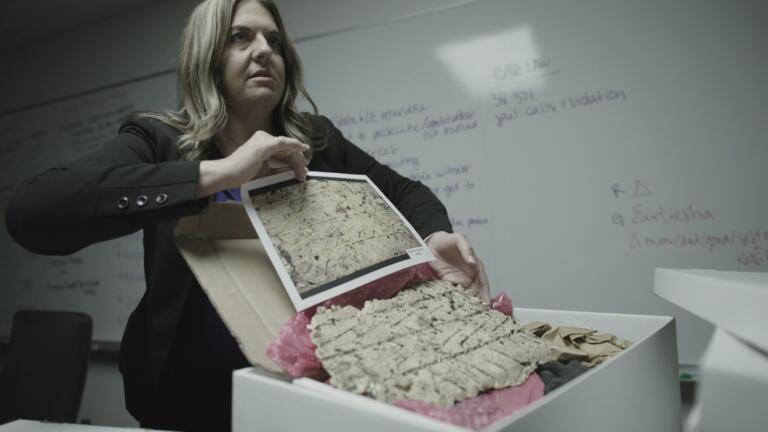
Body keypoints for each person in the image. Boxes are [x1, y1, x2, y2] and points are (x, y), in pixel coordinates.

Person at [5, 0, 489, 430]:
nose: (264, 51)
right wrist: (219, 174)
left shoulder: (317, 141)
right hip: (185, 397)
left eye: (274, 41)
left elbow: (406, 192)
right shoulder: (159, 139)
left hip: (304, 393)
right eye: (241, 37)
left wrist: (434, 234)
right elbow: (34, 210)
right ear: (207, 56)